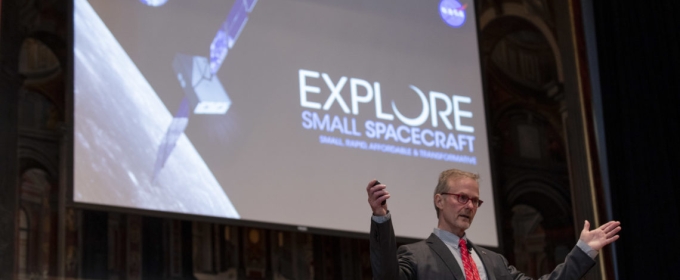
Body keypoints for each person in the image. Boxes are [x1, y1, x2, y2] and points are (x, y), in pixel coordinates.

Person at [366, 168, 621, 280]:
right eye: (462, 197)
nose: (469, 206)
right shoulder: (415, 256)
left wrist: (583, 251)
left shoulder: (494, 263)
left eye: (475, 201)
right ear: (439, 201)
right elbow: (387, 277)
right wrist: (381, 218)